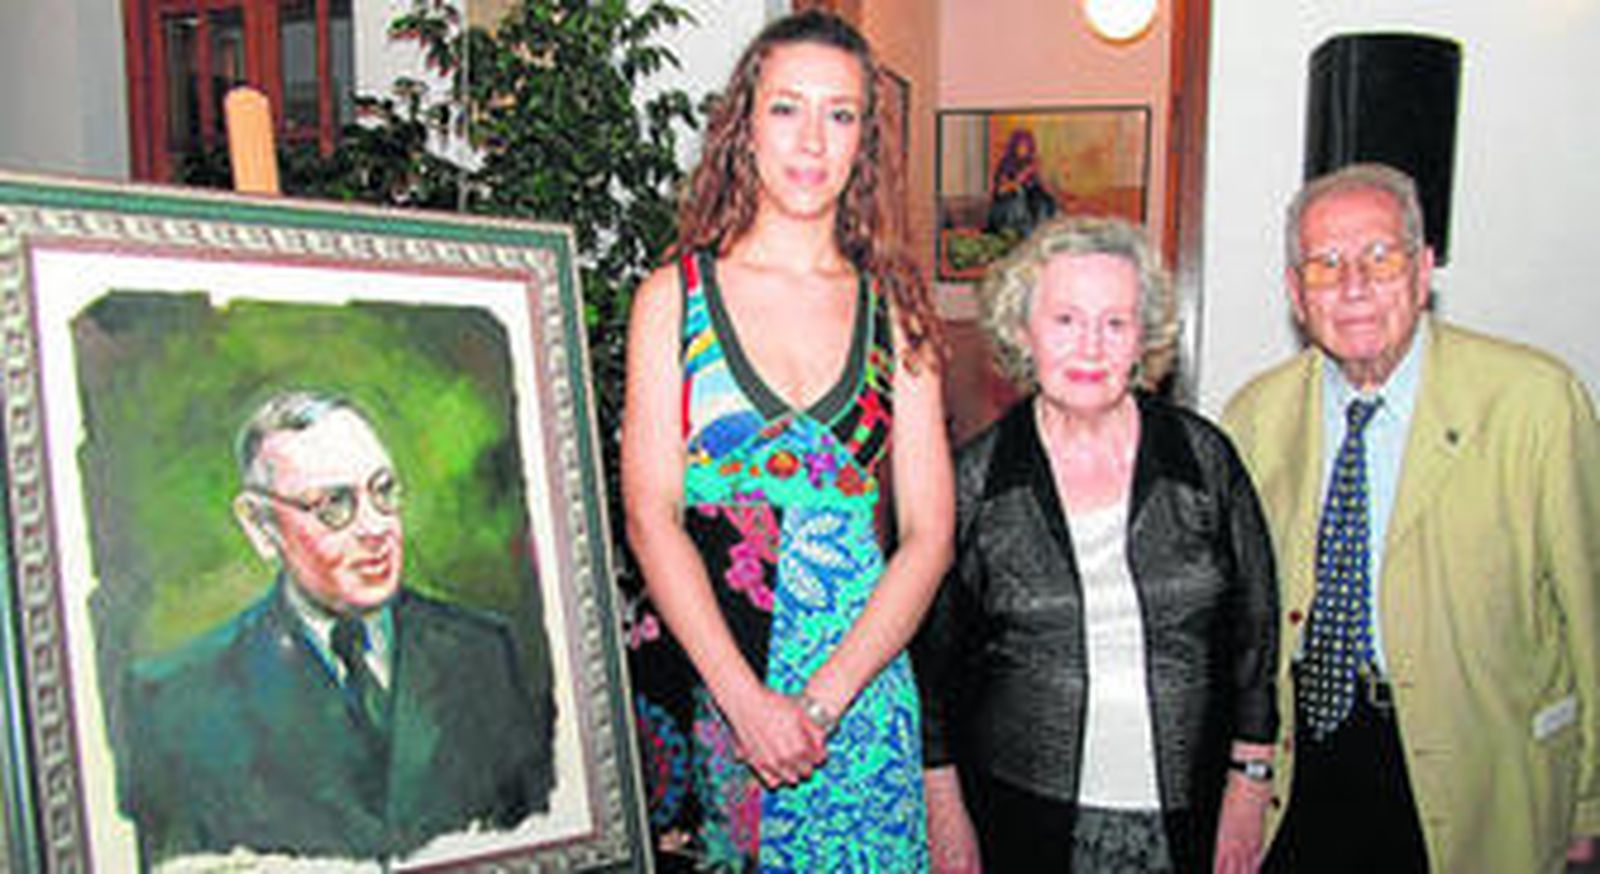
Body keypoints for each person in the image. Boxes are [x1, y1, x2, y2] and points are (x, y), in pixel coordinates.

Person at [620, 10, 953, 870]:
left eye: (840, 114)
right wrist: (746, 703)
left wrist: (821, 703)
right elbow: (650, 518)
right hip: (706, 685)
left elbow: (928, 537)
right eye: (786, 109)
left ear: (864, 142)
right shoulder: (673, 296)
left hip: (858, 693)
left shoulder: (899, 309)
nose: (812, 141)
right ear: (744, 125)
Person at [1222, 163, 1600, 873]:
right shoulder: (1253, 418)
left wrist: (1590, 802)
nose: (1354, 284)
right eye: (1325, 263)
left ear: (1424, 270)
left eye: (1380, 256)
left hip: (1483, 770)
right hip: (1309, 767)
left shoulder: (1537, 403)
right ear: (1296, 294)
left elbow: (1591, 612)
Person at [917, 215, 1280, 873]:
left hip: (1187, 811)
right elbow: (933, 671)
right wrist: (943, 809)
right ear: (1022, 330)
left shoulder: (1203, 460)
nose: (1090, 347)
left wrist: (1250, 782)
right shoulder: (974, 480)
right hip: (1022, 808)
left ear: (1144, 338)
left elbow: (1254, 635)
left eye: (1115, 323)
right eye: (1065, 320)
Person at [119, 391, 554, 866]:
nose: (375, 527)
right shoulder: (179, 701)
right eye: (335, 505)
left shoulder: (481, 654)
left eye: (384, 491)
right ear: (262, 526)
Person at [984, 127, 1058, 241]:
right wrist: (1021, 178)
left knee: (1044, 200)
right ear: (1014, 147)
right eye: (1021, 147)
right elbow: (1001, 190)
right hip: (1008, 205)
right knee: (1018, 199)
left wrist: (1047, 189)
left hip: (1028, 203)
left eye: (1027, 147)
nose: (1023, 150)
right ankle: (1020, 235)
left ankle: (1040, 234)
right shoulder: (1006, 165)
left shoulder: (1031, 164)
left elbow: (1038, 185)